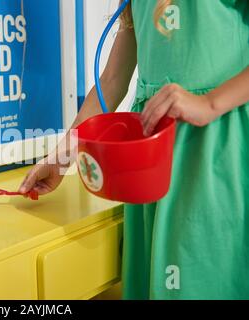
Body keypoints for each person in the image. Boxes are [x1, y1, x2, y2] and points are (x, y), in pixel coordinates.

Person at [19, 0, 249, 299]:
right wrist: (61, 158)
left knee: (199, 277)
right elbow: (112, 80)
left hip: (213, 150)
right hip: (148, 159)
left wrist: (209, 103)